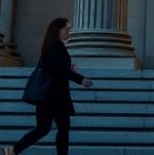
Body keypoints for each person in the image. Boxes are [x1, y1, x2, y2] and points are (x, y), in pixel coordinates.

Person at [5, 18, 93, 155]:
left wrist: (68, 70)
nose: (69, 31)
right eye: (67, 28)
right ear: (58, 29)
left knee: (47, 128)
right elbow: (58, 70)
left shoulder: (51, 46)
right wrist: (80, 79)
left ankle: (13, 150)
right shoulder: (57, 46)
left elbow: (54, 68)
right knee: (58, 128)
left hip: (49, 95)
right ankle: (13, 150)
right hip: (53, 95)